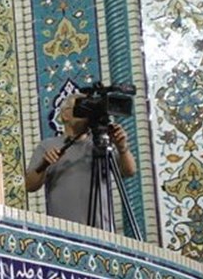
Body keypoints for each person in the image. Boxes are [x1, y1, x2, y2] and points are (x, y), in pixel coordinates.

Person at [25, 92, 136, 228]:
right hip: (63, 230)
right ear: (65, 115)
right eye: (82, 107)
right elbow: (29, 185)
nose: (87, 113)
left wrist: (122, 147)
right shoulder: (48, 146)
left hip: (103, 230)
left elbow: (129, 171)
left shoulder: (102, 144)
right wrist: (44, 164)